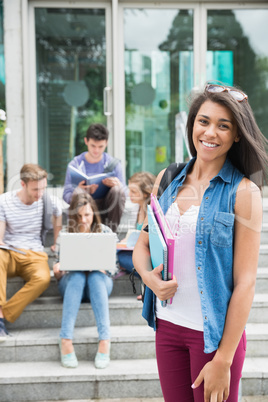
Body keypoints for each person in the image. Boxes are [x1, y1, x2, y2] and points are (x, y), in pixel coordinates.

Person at [133, 83, 268, 402]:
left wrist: (223, 358)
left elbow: (246, 282)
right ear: (192, 124)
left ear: (237, 134)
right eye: (204, 121)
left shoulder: (245, 192)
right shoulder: (166, 177)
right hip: (167, 329)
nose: (210, 132)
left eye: (224, 125)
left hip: (214, 337)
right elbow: (142, 245)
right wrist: (148, 278)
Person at [53, 192, 115, 369]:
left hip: (99, 284)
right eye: (79, 216)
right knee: (78, 276)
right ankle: (65, 339)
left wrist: (100, 266)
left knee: (95, 276)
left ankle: (104, 340)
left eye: (87, 215)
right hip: (73, 285)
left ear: (94, 214)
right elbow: (58, 275)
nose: (83, 220)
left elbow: (114, 269)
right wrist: (59, 269)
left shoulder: (105, 232)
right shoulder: (65, 234)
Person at [0, 163, 62, 340]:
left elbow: (58, 213)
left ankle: (4, 314)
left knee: (43, 279)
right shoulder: (4, 202)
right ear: (23, 184)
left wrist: (56, 241)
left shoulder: (47, 200)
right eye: (35, 189)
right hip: (10, 252)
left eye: (43, 188)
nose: (40, 193)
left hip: (34, 254)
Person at [63, 123, 126, 233]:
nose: (96, 150)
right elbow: (66, 195)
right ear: (86, 141)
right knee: (77, 192)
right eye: (93, 146)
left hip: (107, 208)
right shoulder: (75, 164)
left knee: (118, 190)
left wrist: (118, 185)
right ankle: (79, 236)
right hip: (83, 209)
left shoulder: (114, 164)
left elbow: (125, 193)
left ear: (106, 143)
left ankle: (110, 236)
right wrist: (79, 189)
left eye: (100, 146)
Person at [117, 172, 156, 299]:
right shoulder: (138, 209)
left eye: (134, 191)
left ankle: (149, 284)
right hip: (138, 250)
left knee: (120, 257)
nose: (130, 194)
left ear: (145, 193)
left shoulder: (152, 209)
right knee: (118, 253)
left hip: (151, 254)